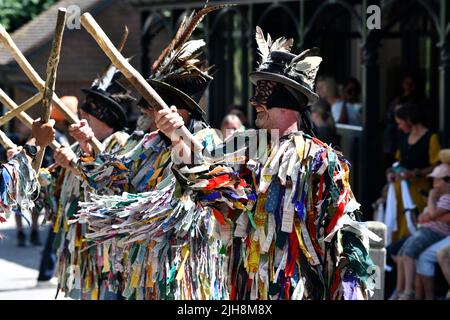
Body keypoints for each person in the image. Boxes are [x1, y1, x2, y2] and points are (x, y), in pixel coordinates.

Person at [154, 28, 377, 299]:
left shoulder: (320, 160)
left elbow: (343, 233)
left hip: (298, 289)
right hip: (249, 286)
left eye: (265, 92)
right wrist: (176, 135)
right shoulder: (246, 145)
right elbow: (207, 173)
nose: (254, 101)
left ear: (288, 101)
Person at [53, 6, 221, 300]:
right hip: (138, 268)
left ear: (177, 110)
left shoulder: (205, 139)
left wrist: (178, 138)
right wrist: (88, 146)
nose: (146, 110)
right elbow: (112, 179)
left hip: (180, 269)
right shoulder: (148, 143)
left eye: (154, 105)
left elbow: (200, 185)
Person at [393, 160, 450, 300]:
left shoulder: (446, 198)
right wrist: (429, 210)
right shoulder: (440, 198)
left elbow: (432, 214)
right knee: (401, 255)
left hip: (436, 233)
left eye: (437, 180)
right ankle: (400, 290)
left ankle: (408, 291)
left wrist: (430, 198)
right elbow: (425, 216)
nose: (434, 184)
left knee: (409, 254)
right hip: (426, 229)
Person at [387, 103, 441, 240]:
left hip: (418, 191)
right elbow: (398, 162)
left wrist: (416, 173)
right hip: (400, 190)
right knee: (397, 223)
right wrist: (391, 172)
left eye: (400, 123)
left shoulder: (431, 138)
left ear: (409, 120)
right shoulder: (404, 137)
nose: (399, 126)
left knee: (412, 222)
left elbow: (437, 166)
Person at [0, 120, 55, 224]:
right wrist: (35, 142)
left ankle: (34, 232)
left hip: (35, 182)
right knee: (18, 207)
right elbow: (7, 178)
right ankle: (21, 233)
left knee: (33, 208)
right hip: (20, 185)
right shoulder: (14, 138)